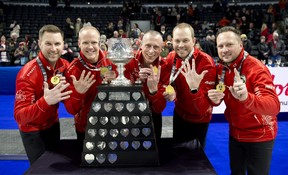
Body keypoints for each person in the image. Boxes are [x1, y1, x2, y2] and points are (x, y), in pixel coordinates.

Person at [208, 26, 280, 175]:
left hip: (259, 135)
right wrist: (215, 100)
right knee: (236, 172)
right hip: (235, 133)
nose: (224, 49)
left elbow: (274, 106)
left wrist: (247, 98)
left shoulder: (256, 68)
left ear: (241, 44)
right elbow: (219, 95)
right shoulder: (222, 68)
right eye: (220, 46)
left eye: (229, 44)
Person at [14, 24, 72, 165]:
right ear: (40, 44)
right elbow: (20, 116)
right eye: (48, 44)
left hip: (53, 124)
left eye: (57, 43)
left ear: (63, 45)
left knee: (55, 165)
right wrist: (45, 102)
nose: (53, 49)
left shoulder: (63, 65)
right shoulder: (27, 74)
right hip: (33, 130)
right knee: (41, 169)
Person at [164, 23, 217, 148]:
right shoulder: (171, 57)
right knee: (174, 155)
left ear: (193, 41)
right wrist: (173, 92)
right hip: (178, 114)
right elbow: (169, 81)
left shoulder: (206, 62)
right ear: (172, 41)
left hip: (198, 120)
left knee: (195, 162)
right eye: (177, 41)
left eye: (185, 40)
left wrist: (194, 89)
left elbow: (203, 107)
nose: (181, 45)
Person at [64, 26, 117, 147]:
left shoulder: (112, 60)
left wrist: (116, 82)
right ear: (79, 43)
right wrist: (78, 93)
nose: (90, 47)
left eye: (94, 42)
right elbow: (71, 110)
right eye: (85, 42)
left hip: (112, 123)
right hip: (86, 127)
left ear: (99, 43)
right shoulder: (72, 71)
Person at [124, 30, 170, 141]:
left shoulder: (164, 66)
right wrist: (136, 82)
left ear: (161, 48)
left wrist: (153, 90)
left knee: (154, 152)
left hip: (153, 116)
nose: (151, 51)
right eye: (148, 46)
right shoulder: (129, 60)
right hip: (129, 114)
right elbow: (122, 94)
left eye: (156, 47)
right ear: (140, 44)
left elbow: (159, 108)